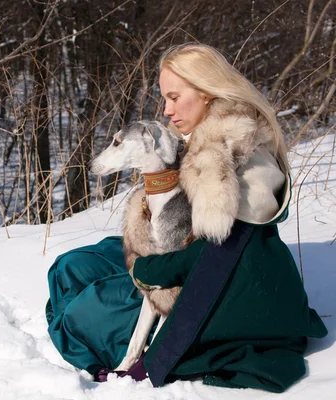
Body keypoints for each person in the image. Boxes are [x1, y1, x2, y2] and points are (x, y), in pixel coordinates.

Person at [45, 43, 327, 393]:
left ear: (207, 91)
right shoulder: (195, 134)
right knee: (70, 266)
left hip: (214, 291)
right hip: (169, 245)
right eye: (165, 99)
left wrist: (151, 279)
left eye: (175, 98)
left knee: (81, 316)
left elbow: (221, 255)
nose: (167, 110)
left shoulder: (229, 152)